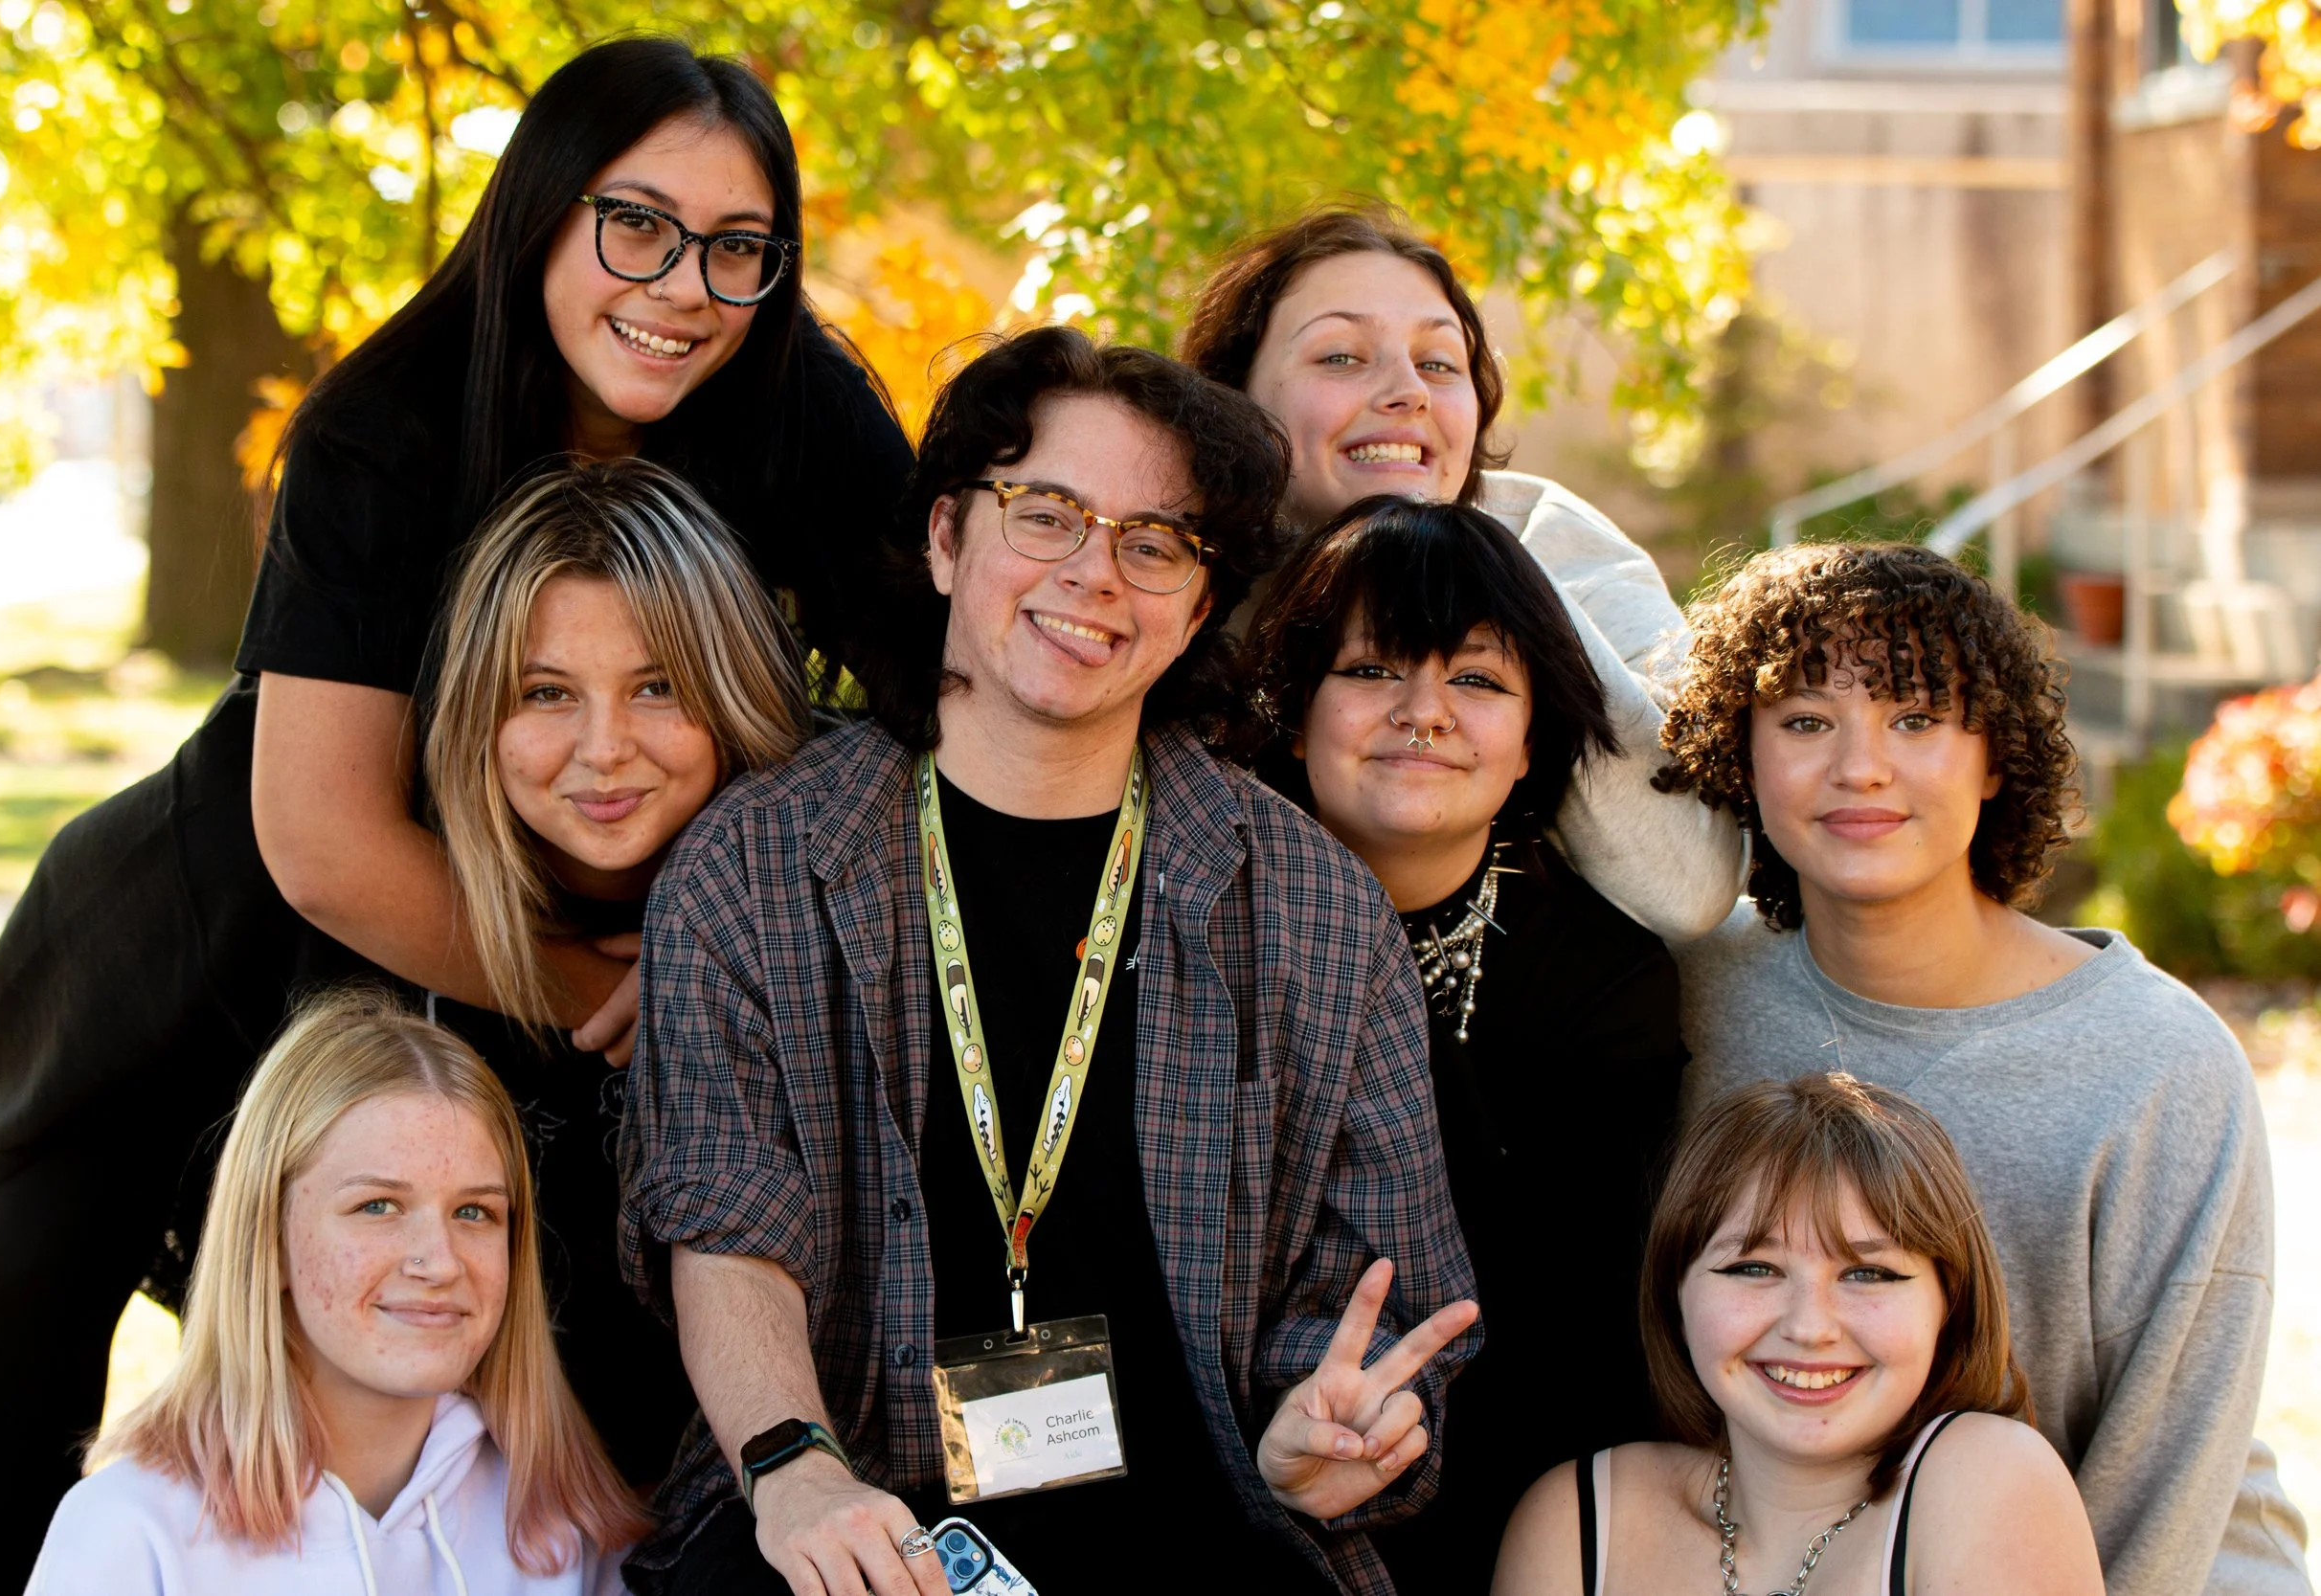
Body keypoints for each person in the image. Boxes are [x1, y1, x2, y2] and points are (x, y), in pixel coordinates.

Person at [0, 37, 910, 1587]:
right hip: (212, 931)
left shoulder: (806, 412)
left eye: (738, 248)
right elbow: (322, 837)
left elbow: (928, 705)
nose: (682, 286)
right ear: (540, 213)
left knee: (534, 1392)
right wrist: (608, 988)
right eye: (637, 224)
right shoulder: (381, 426)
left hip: (520, 933)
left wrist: (733, 935)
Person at [618, 326, 1481, 1596]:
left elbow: (1376, 1281)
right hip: (859, 1515)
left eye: (1153, 543)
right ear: (946, 536)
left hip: (1203, 1511)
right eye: (1048, 514)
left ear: (1197, 604)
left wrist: (1323, 1423)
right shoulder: (759, 864)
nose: (1095, 576)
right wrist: (792, 1458)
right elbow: (723, 1217)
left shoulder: (1308, 906)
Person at [1661, 542, 2311, 1596]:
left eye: (1915, 719)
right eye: (1805, 720)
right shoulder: (1692, 996)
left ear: (1995, 755)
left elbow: (2171, 1461)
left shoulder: (2156, 1061)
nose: (1859, 766)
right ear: (1741, 753)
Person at [1239, 495, 1689, 1590]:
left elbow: (1583, 1341)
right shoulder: (1193, 925)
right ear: (1292, 712)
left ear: (1533, 740)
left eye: (1477, 680)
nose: (1423, 711)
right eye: (1371, 670)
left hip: (1510, 1512)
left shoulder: (1602, 978)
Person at [1181, 205, 1742, 942]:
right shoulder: (1162, 563)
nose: (1407, 390)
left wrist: (1494, 573)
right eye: (1341, 356)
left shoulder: (1554, 542)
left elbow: (1687, 887)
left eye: (1439, 364)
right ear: (1235, 400)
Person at [414, 456, 812, 1478]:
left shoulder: (822, 922)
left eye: (657, 686)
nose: (603, 748)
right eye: (547, 691)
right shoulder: (400, 962)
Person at [26, 986, 646, 1594]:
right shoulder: (131, 1533)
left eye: (475, 1212)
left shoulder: (564, 1529)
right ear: (268, 1240)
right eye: (378, 1204)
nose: (440, 1261)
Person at [1493, 1070, 2105, 1596]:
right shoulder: (1577, 1519)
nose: (1809, 1327)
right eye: (1754, 1268)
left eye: (1869, 1273)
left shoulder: (1991, 1479)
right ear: (1674, 1293)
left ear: (1951, 1304)